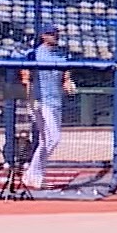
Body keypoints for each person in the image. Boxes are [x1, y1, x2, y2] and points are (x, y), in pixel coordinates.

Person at [19, 25, 75, 190]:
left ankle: (34, 175)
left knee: (46, 140)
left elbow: (65, 76)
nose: (55, 36)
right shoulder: (34, 54)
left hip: (56, 101)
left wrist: (68, 83)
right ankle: (33, 173)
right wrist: (30, 100)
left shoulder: (61, 54)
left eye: (56, 34)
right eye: (51, 34)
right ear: (43, 36)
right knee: (53, 138)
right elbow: (26, 78)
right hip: (40, 101)